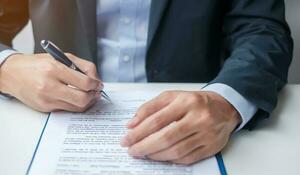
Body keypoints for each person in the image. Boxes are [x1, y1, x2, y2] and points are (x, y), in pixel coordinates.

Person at [0, 0, 293, 165]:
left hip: (204, 133)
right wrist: (7, 66)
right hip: (44, 129)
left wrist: (226, 102)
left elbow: (262, 30)